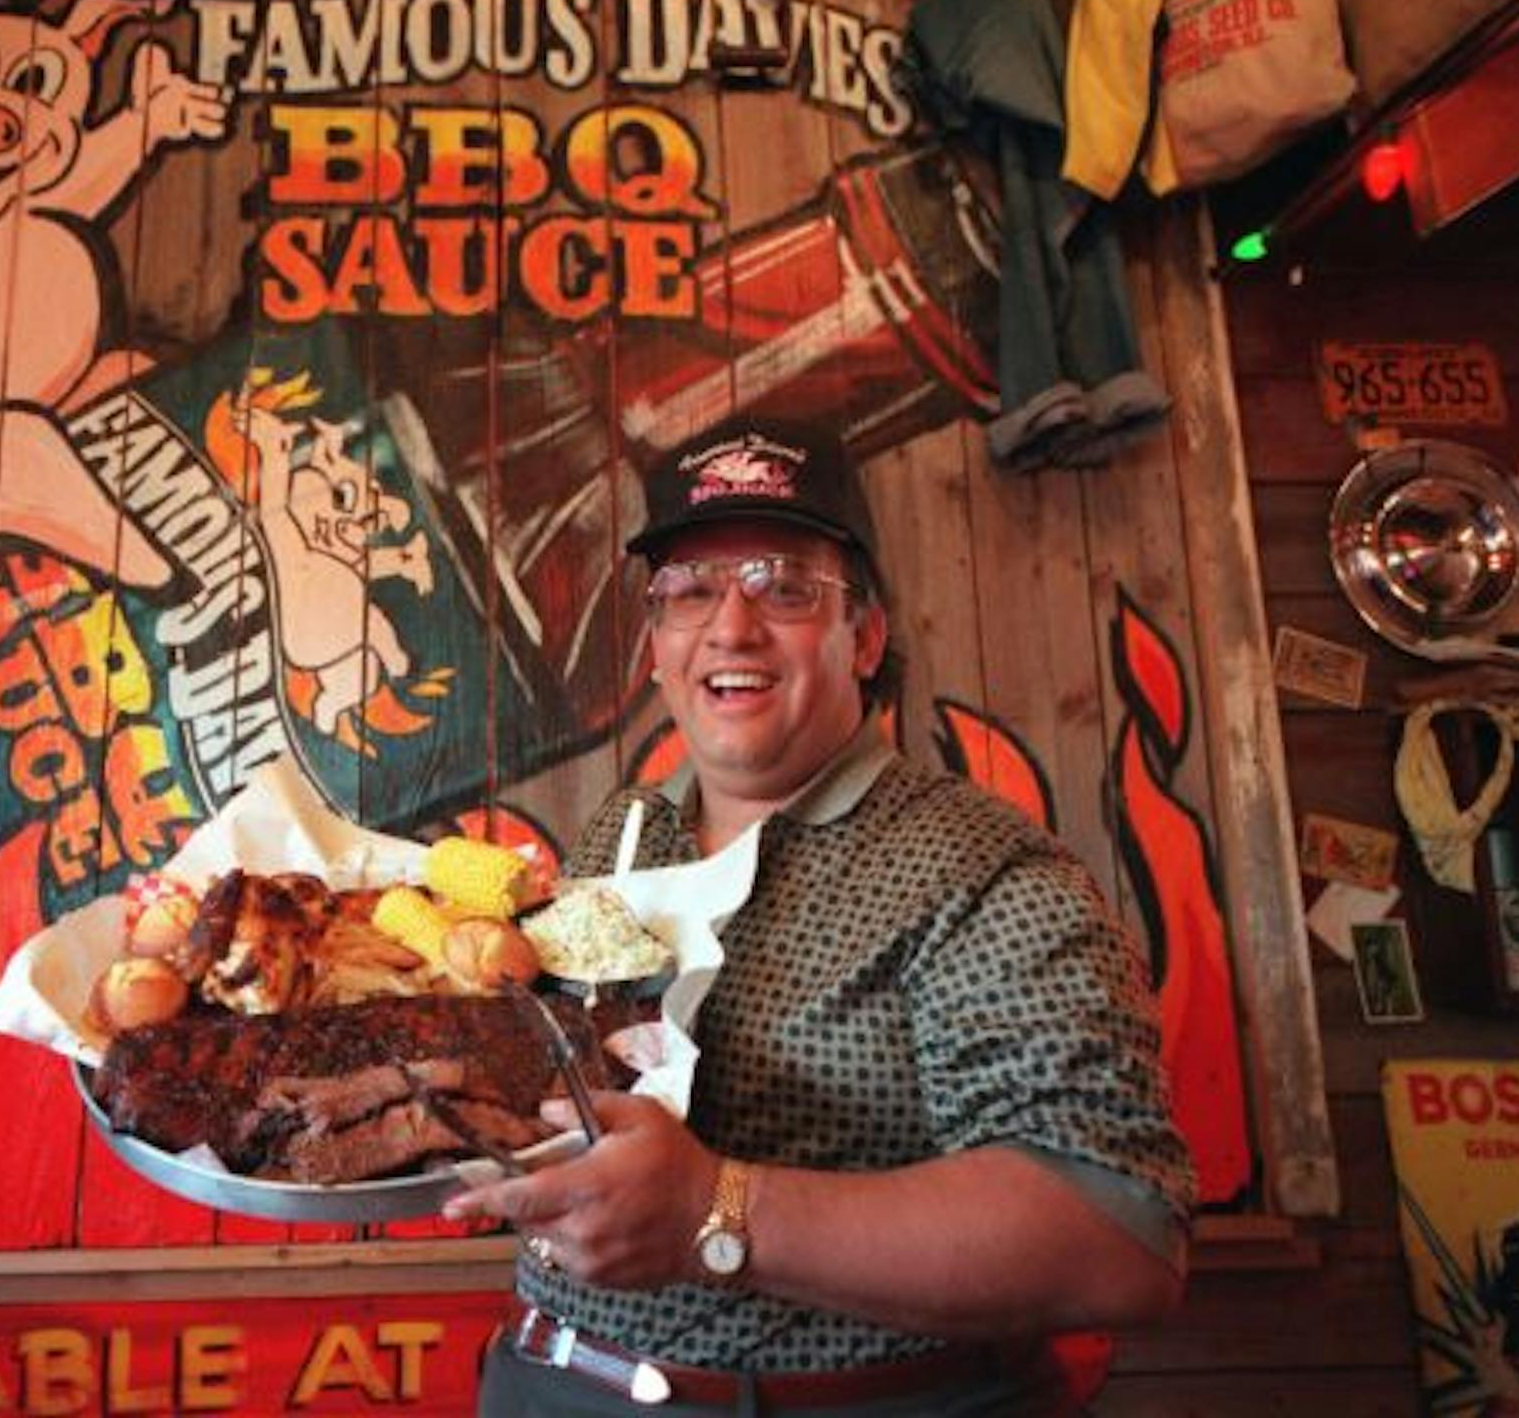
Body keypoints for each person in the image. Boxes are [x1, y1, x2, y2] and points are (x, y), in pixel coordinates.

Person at [443, 414, 1196, 1415]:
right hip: (541, 1379)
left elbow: (1122, 1240)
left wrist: (717, 1209)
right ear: (658, 647)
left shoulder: (985, 868)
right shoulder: (622, 834)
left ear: (866, 637)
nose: (731, 627)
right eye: (691, 591)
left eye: (783, 587)